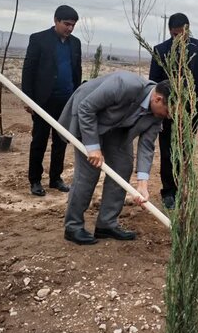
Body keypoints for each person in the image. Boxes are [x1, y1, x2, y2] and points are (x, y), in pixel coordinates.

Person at [58, 72, 171, 245]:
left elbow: (147, 146)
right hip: (89, 119)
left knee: (123, 166)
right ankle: (73, 226)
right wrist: (94, 147)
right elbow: (86, 108)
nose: (168, 116)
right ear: (157, 99)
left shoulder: (157, 115)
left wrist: (142, 184)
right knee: (89, 173)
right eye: (168, 111)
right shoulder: (125, 84)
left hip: (117, 127)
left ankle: (106, 224)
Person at [148, 13, 198, 209]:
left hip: (192, 110)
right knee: (168, 152)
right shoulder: (160, 50)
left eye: (183, 34)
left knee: (186, 151)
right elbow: (154, 83)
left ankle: (183, 186)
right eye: (175, 34)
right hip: (167, 111)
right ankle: (169, 192)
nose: (179, 38)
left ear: (188, 29)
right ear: (170, 31)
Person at [21, 5, 82, 197]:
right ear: (55, 20)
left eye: (73, 25)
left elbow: (76, 71)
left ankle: (56, 178)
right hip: (43, 100)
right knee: (39, 140)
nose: (70, 28)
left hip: (66, 100)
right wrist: (28, 99)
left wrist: (77, 95)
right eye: (66, 24)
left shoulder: (75, 43)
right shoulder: (39, 39)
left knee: (61, 141)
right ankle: (35, 180)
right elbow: (28, 70)